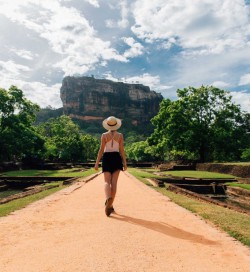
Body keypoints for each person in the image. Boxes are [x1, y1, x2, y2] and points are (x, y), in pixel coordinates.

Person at [94, 116, 127, 216]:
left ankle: (108, 198)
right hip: (116, 157)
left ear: (107, 125)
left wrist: (96, 163)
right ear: (116, 125)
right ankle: (110, 204)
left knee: (106, 181)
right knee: (114, 183)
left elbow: (101, 150)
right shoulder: (120, 135)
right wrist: (125, 163)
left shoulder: (104, 135)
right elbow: (121, 150)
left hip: (107, 157)